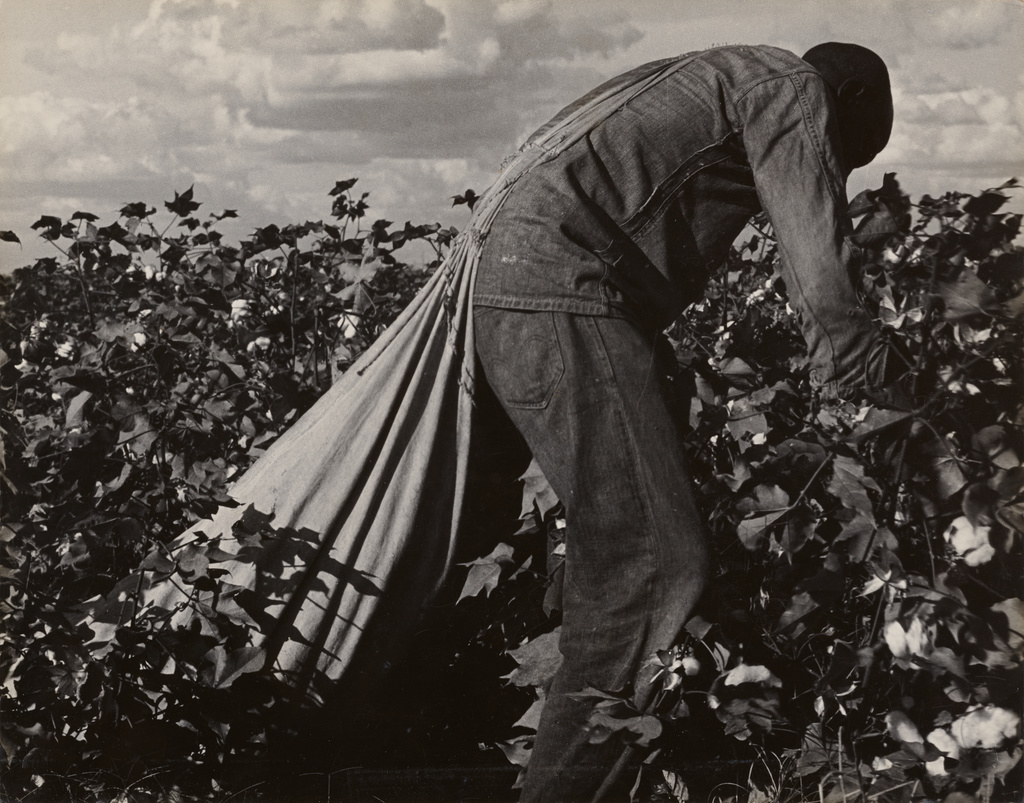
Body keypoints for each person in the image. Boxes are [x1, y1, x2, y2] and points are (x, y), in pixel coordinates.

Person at [470, 42, 896, 802]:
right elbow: (822, 279)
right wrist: (870, 407)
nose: (831, 173)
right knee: (650, 571)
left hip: (517, 292)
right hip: (565, 291)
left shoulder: (716, 76)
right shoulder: (790, 87)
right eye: (842, 156)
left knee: (615, 546)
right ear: (851, 94)